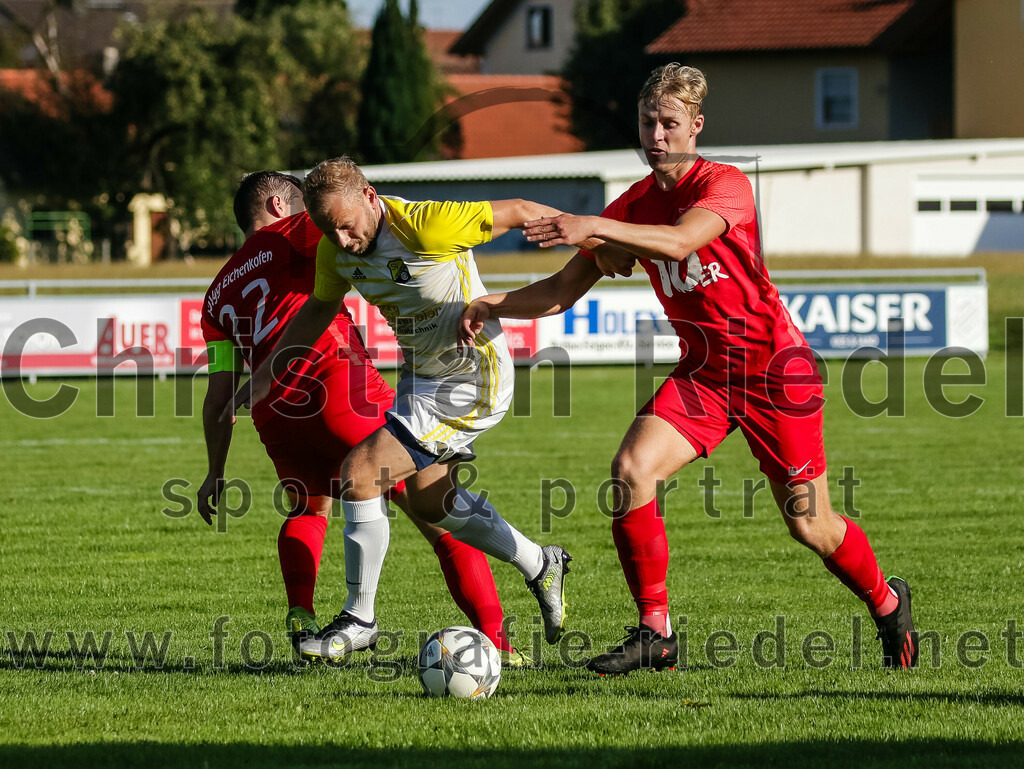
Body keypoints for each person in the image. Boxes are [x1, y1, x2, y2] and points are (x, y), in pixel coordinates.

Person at [459, 63, 918, 674]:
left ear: (696, 126)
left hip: (776, 374)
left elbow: (679, 243)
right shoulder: (633, 205)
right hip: (705, 375)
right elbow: (564, 290)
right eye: (648, 122)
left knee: (812, 526)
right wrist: (495, 304)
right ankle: (656, 632)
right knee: (631, 469)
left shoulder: (723, 184)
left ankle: (888, 603)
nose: (657, 136)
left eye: (670, 123)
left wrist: (596, 226)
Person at [236, 157, 572, 664]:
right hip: (421, 379)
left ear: (371, 198)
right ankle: (540, 562)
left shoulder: (426, 224)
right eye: (329, 230)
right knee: (436, 505)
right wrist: (264, 377)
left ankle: (359, 617)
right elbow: (317, 312)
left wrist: (596, 238)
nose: (343, 242)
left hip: (472, 376)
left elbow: (521, 210)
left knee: (360, 471)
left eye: (347, 226)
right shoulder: (335, 249)